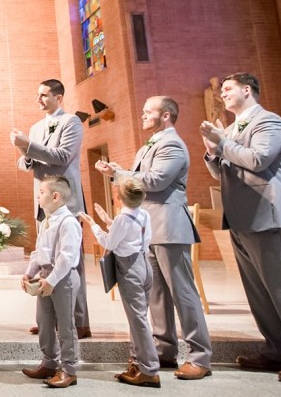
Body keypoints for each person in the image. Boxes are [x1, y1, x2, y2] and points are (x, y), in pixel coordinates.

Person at [201, 73, 281, 383]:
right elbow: (222, 171)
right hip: (241, 217)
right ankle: (277, 349)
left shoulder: (268, 121)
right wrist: (212, 152)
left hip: (268, 215)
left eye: (228, 89)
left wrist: (223, 144)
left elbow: (258, 160)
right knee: (258, 292)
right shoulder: (230, 128)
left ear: (247, 89)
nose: (223, 95)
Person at [95, 96, 212, 379]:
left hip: (169, 226)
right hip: (148, 229)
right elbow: (141, 179)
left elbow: (157, 181)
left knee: (183, 293)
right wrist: (118, 174)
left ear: (167, 115)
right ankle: (164, 349)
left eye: (149, 111)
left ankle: (200, 356)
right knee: (156, 294)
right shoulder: (151, 143)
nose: (143, 115)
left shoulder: (171, 144)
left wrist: (120, 173)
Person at [11, 79, 91, 337]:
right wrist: (25, 153)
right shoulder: (35, 128)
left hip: (66, 202)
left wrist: (29, 146)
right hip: (43, 204)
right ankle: (48, 320)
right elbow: (27, 164)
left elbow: (62, 156)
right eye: (38, 95)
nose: (39, 99)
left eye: (44, 95)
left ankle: (79, 322)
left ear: (58, 97)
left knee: (70, 262)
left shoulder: (71, 123)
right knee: (45, 262)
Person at [80, 177, 160, 388]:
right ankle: (136, 363)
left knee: (139, 320)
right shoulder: (143, 214)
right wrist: (109, 221)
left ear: (117, 198)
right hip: (144, 264)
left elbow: (109, 243)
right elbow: (133, 236)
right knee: (138, 317)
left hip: (129, 269)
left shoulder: (123, 219)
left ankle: (150, 369)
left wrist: (93, 224)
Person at [21, 176, 81, 389]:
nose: (38, 195)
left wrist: (52, 280)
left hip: (62, 278)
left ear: (56, 196)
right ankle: (49, 362)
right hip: (46, 276)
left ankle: (69, 370)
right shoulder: (45, 220)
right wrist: (30, 273)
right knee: (44, 321)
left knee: (65, 326)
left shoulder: (68, 222)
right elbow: (39, 251)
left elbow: (67, 257)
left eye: (42, 192)